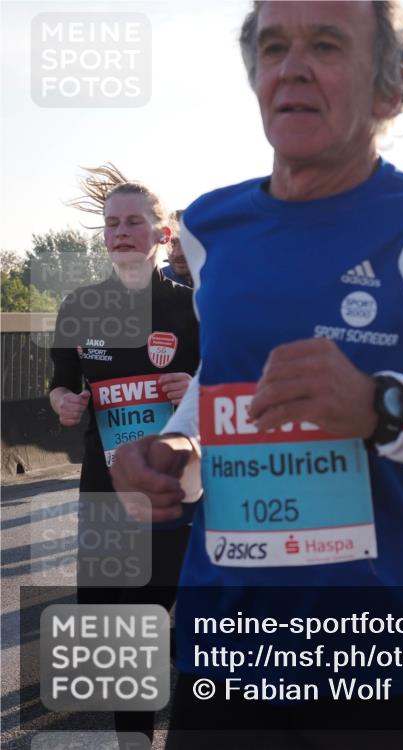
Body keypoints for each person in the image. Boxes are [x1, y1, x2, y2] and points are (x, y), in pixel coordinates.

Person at [109, 3, 403, 749]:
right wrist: (174, 453)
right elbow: (227, 383)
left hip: (393, 664)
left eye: (326, 44)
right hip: (227, 649)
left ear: (388, 92)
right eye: (273, 47)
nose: (292, 66)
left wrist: (384, 410)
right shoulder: (210, 227)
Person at [50, 165, 199, 745]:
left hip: (179, 493)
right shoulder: (80, 306)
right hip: (106, 494)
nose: (121, 232)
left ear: (162, 233)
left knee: (187, 632)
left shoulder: (193, 308)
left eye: (135, 221)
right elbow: (60, 383)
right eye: (112, 223)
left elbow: (228, 385)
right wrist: (64, 401)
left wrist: (196, 386)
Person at [162, 209, 193, 287]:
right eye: (171, 243)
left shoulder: (225, 283)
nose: (177, 253)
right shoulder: (152, 286)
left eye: (187, 243)